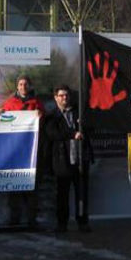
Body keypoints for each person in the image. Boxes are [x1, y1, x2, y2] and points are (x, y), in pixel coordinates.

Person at [43, 85, 92, 233]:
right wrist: (72, 134)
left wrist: (82, 127)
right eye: (61, 95)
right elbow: (53, 134)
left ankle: (82, 221)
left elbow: (89, 128)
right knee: (62, 194)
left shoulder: (79, 112)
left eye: (66, 95)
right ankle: (62, 223)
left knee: (82, 192)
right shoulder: (52, 116)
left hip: (80, 158)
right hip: (62, 159)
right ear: (56, 97)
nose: (64, 98)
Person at [0, 76, 46, 229]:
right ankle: (15, 218)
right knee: (14, 186)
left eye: (25, 84)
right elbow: (1, 119)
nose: (23, 86)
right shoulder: (10, 103)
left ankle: (32, 218)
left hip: (32, 150)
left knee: (31, 186)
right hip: (15, 150)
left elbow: (44, 120)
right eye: (20, 84)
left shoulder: (36, 103)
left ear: (30, 86)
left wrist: (41, 116)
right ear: (17, 87)